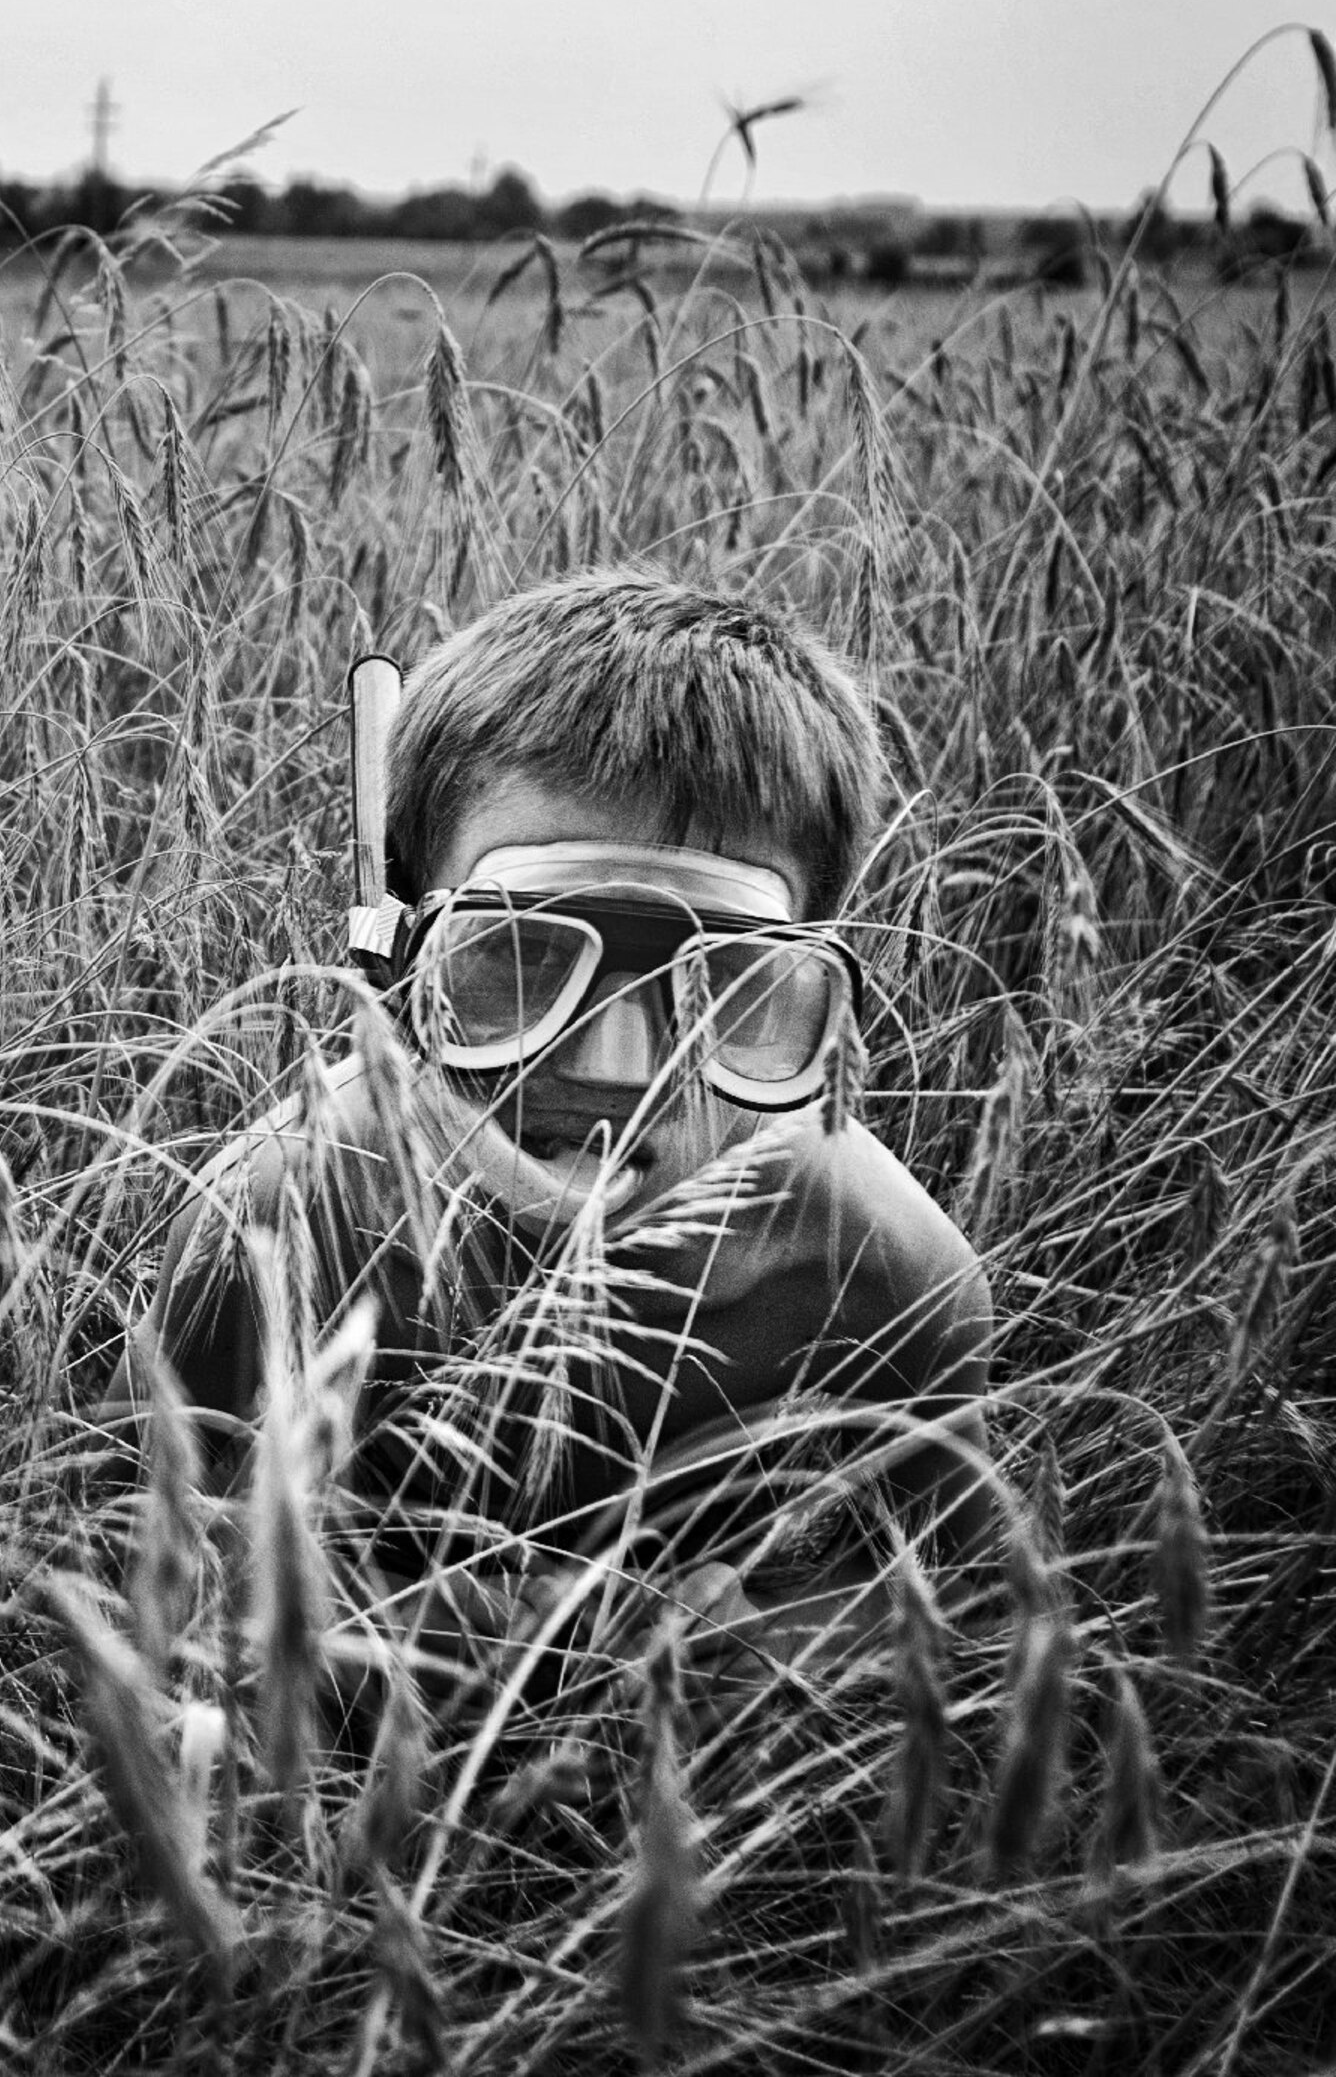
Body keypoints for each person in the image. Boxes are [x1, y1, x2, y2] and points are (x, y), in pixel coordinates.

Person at [151, 570, 996, 1673]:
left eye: (726, 987)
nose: (615, 1069)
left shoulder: (881, 1270)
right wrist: (468, 1640)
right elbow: (179, 1603)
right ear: (400, 971)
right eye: (519, 958)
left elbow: (961, 1620)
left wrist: (755, 1651)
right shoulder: (276, 1226)